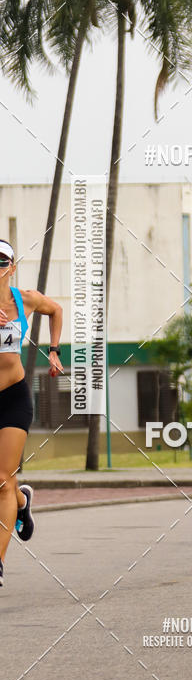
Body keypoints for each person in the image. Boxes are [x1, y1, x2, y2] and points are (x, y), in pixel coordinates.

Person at [0, 240, 63, 586]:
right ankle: (23, 501)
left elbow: (56, 310)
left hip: (13, 396)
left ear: (11, 266)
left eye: (1, 260)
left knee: (2, 478)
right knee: (6, 483)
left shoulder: (25, 299)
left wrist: (54, 351)